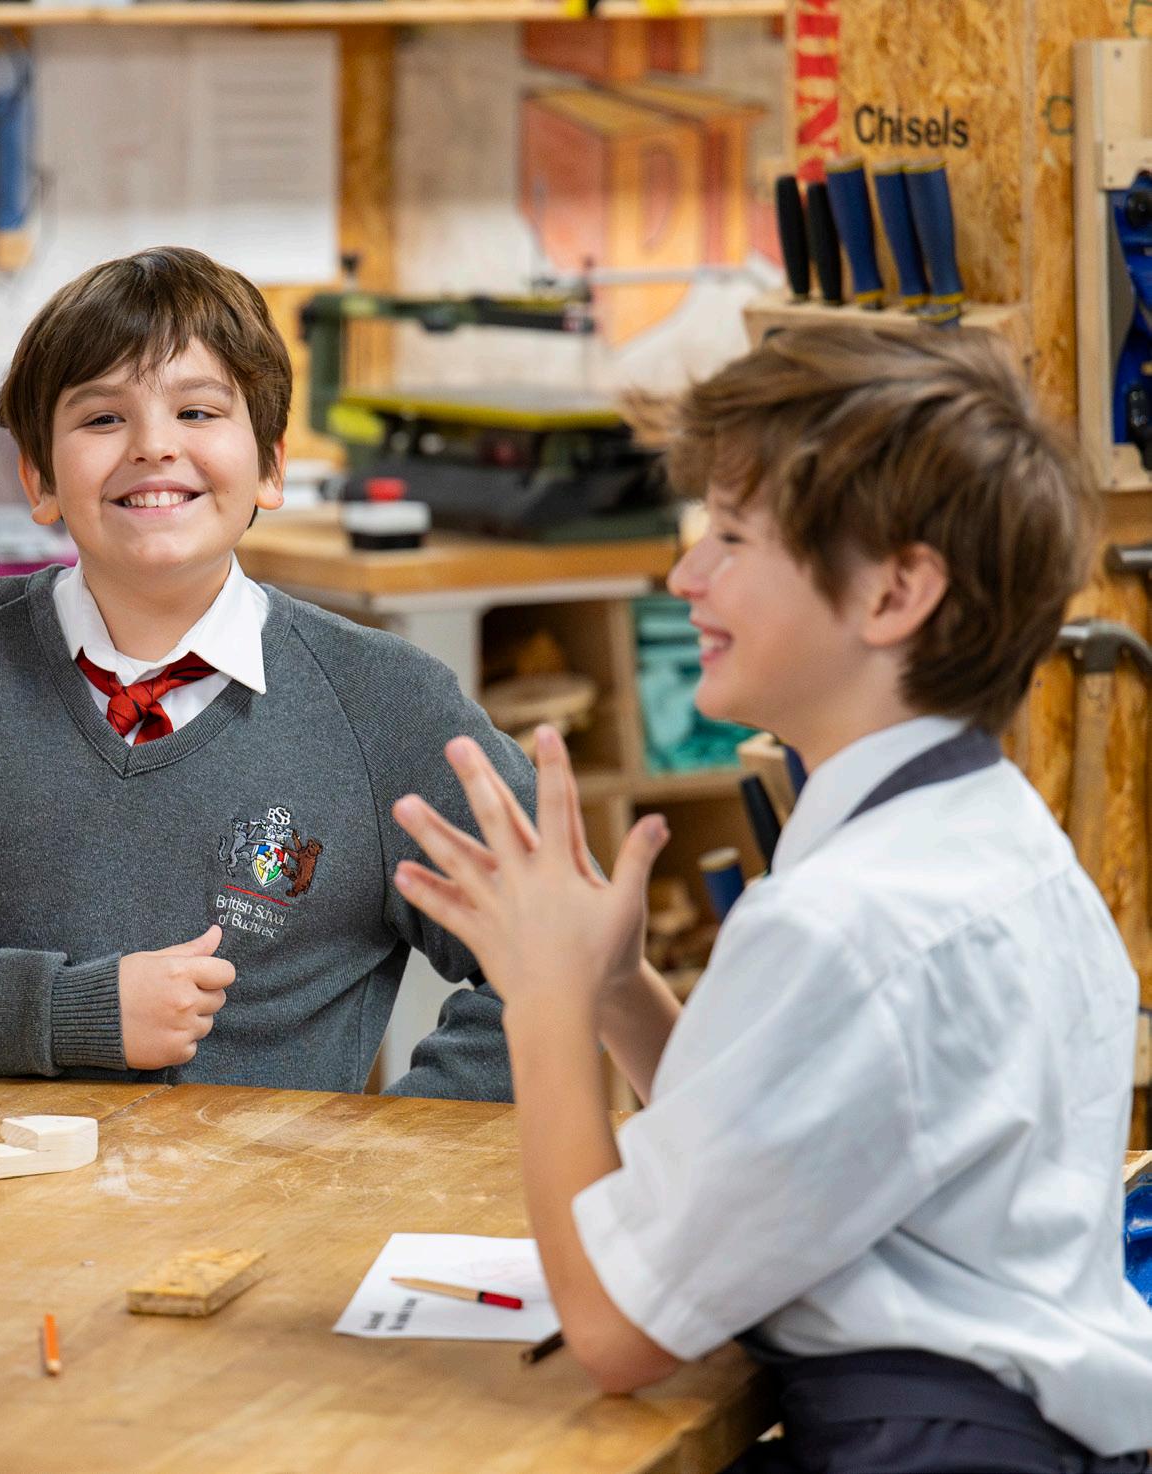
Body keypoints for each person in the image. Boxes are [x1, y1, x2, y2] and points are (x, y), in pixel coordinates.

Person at [389, 325, 1152, 1467]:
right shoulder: (996, 840)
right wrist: (614, 983)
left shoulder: (847, 921)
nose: (683, 575)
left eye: (732, 537)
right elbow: (774, 1137)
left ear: (895, 591)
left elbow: (615, 1328)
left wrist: (542, 1003)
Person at [0, 246, 533, 1096]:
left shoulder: (387, 707)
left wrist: (386, 1155)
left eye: (197, 411)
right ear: (38, 477)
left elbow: (561, 961)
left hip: (266, 1189)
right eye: (102, 419)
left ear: (270, 465)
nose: (153, 447)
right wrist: (73, 1011)